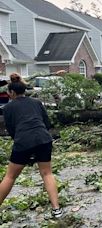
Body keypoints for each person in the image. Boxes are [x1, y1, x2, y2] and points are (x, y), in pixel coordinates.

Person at [0, 81, 63, 218]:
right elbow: (46, 123)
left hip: (23, 141)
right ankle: (56, 210)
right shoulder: (36, 102)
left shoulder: (8, 108)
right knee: (47, 174)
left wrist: (25, 148)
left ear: (12, 93)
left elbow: (11, 130)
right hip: (43, 139)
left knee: (10, 176)